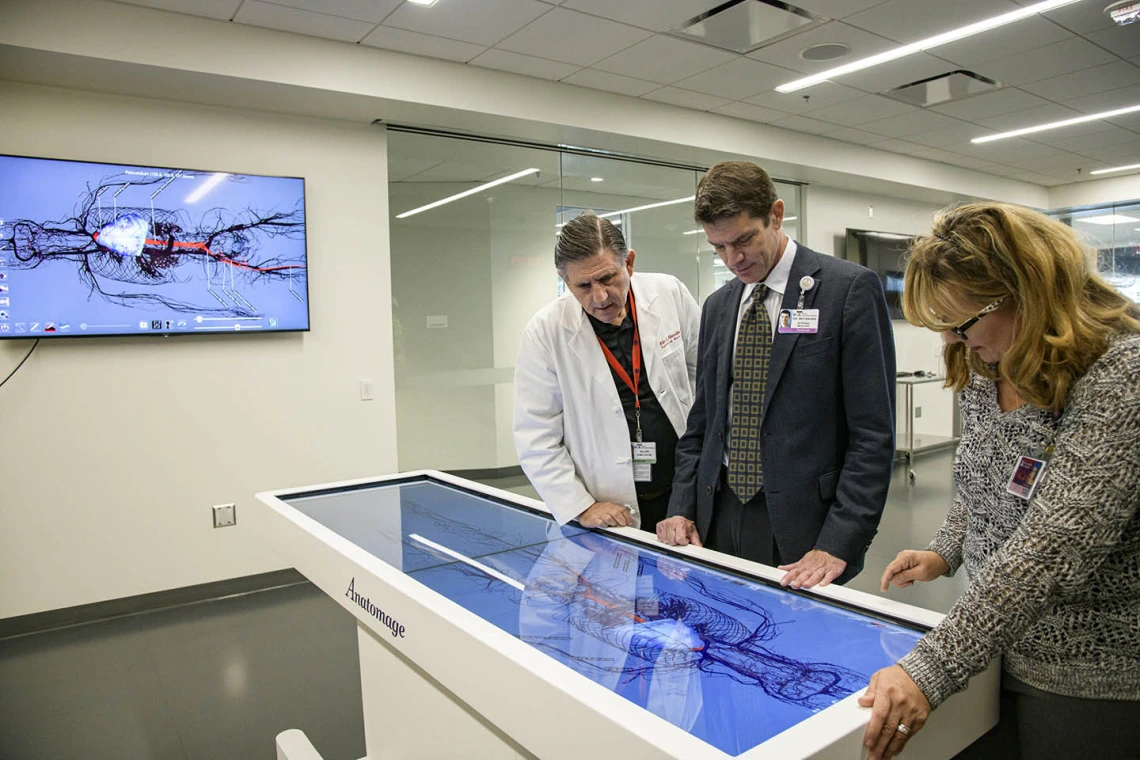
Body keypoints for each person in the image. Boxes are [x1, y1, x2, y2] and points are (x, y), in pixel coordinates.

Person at [859, 202, 1140, 760]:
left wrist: (933, 667)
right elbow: (983, 484)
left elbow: (1052, 548)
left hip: (1089, 678)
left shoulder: (1121, 375)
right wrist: (945, 551)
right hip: (995, 648)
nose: (954, 342)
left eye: (959, 324)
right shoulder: (991, 364)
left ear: (1024, 294)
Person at [657, 161, 896, 589]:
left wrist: (839, 542)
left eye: (744, 240)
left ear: (777, 215)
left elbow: (873, 437)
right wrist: (681, 506)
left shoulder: (847, 291)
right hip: (719, 511)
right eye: (718, 247)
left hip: (805, 526)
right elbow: (703, 423)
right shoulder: (717, 306)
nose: (733, 259)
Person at [514, 211, 700, 531]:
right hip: (607, 506)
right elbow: (535, 434)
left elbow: (705, 379)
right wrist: (581, 506)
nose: (599, 297)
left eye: (607, 278)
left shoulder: (669, 293)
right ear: (565, 281)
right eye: (583, 285)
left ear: (628, 263)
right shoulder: (546, 331)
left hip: (686, 489)